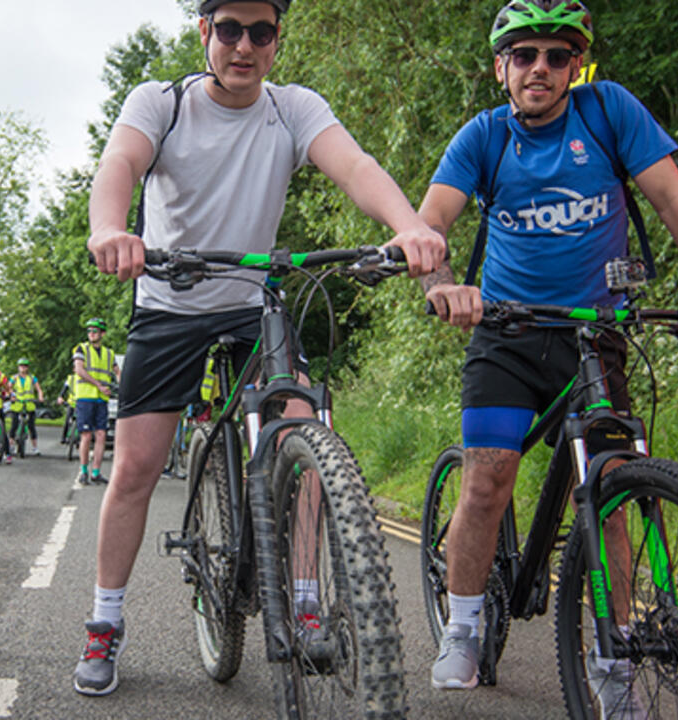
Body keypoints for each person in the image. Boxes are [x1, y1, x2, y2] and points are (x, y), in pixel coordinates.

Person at [73, 0, 444, 696]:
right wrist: (108, 229)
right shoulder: (162, 102)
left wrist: (407, 226)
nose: (244, 46)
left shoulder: (293, 108)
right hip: (171, 298)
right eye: (230, 30)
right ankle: (104, 623)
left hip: (253, 300)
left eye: (261, 32)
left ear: (276, 41)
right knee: (136, 467)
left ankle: (305, 599)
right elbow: (119, 162)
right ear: (205, 32)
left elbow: (356, 165)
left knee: (303, 426)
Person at [416, 1, 678, 712]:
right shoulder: (484, 136)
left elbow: (676, 202)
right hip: (506, 332)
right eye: (524, 55)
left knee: (613, 494)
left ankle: (615, 662)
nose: (540, 67)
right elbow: (431, 224)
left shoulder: (608, 113)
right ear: (501, 67)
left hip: (596, 334)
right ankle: (464, 625)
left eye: (557, 55)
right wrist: (444, 286)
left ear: (578, 65)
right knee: (487, 481)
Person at [73, 318, 120, 486]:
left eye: (95, 331)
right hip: (85, 397)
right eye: (89, 331)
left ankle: (96, 472)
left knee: (101, 434)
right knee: (86, 435)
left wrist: (122, 384)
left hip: (102, 399)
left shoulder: (109, 353)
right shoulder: (82, 348)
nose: (91, 333)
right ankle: (84, 471)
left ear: (102, 333)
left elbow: (117, 372)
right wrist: (99, 385)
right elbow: (79, 369)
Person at [8, 358, 46, 455]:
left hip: (29, 404)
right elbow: (8, 388)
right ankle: (11, 445)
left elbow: (39, 389)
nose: (23, 368)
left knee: (31, 426)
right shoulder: (14, 378)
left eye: (25, 366)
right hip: (17, 404)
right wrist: (11, 395)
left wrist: (40, 396)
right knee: (14, 426)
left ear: (27, 368)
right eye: (21, 366)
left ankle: (35, 447)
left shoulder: (32, 378)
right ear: (18, 367)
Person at [56, 374, 77, 445]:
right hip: (71, 403)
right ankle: (63, 437)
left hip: (82, 403)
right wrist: (60, 397)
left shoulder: (86, 377)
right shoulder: (70, 378)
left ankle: (80, 439)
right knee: (67, 421)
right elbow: (64, 389)